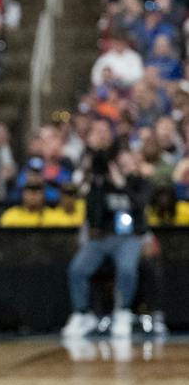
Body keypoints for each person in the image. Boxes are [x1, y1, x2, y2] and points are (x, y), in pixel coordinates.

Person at [62, 132, 152, 340]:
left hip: (129, 237)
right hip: (102, 237)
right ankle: (82, 313)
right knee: (77, 269)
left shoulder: (140, 182)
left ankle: (123, 312)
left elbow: (140, 205)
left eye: (128, 162)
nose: (124, 166)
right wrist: (98, 182)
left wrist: (123, 185)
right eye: (120, 163)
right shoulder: (101, 183)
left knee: (127, 269)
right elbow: (91, 207)